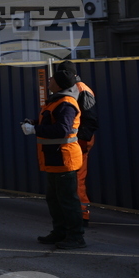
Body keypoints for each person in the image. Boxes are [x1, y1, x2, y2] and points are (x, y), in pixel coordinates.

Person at [23, 68, 85, 249]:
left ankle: (76, 236)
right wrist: (34, 122)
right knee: (54, 198)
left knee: (67, 200)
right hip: (54, 158)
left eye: (52, 78)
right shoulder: (56, 101)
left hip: (64, 158)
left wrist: (35, 130)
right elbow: (51, 121)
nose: (48, 80)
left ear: (58, 83)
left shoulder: (66, 103)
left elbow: (63, 129)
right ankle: (60, 232)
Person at [56, 60, 98, 226]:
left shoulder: (80, 89)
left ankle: (81, 216)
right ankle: (76, 214)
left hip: (78, 140)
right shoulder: (77, 88)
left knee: (77, 178)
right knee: (73, 178)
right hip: (76, 140)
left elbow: (90, 119)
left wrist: (81, 140)